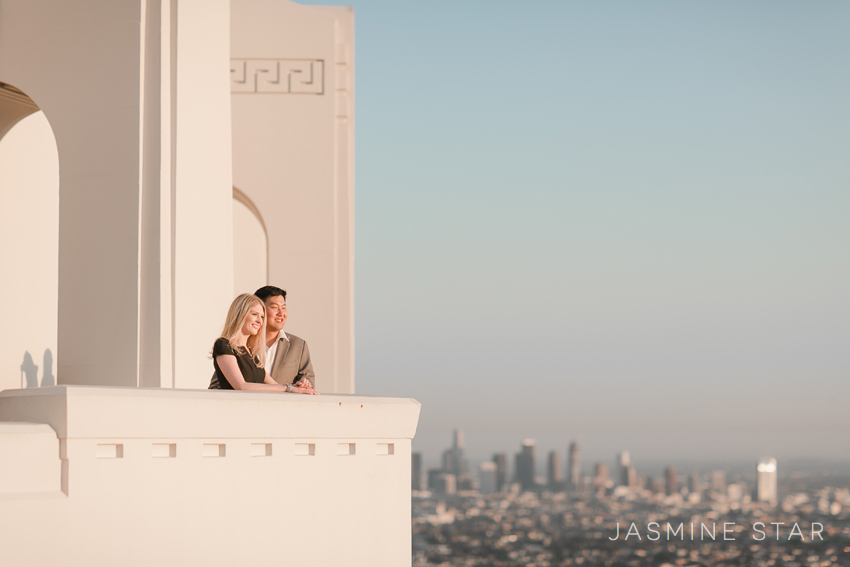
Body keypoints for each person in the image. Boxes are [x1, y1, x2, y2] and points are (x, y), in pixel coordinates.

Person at [208, 293, 317, 394]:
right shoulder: (224, 345)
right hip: (235, 410)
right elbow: (241, 386)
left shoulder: (251, 352)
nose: (260, 321)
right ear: (240, 315)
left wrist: (298, 386)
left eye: (262, 316)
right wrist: (288, 388)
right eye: (254, 314)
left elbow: (275, 385)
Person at [254, 285, 316, 389]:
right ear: (259, 310)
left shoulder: (299, 346)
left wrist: (304, 384)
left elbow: (309, 381)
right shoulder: (243, 343)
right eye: (274, 307)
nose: (281, 313)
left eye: (283, 307)